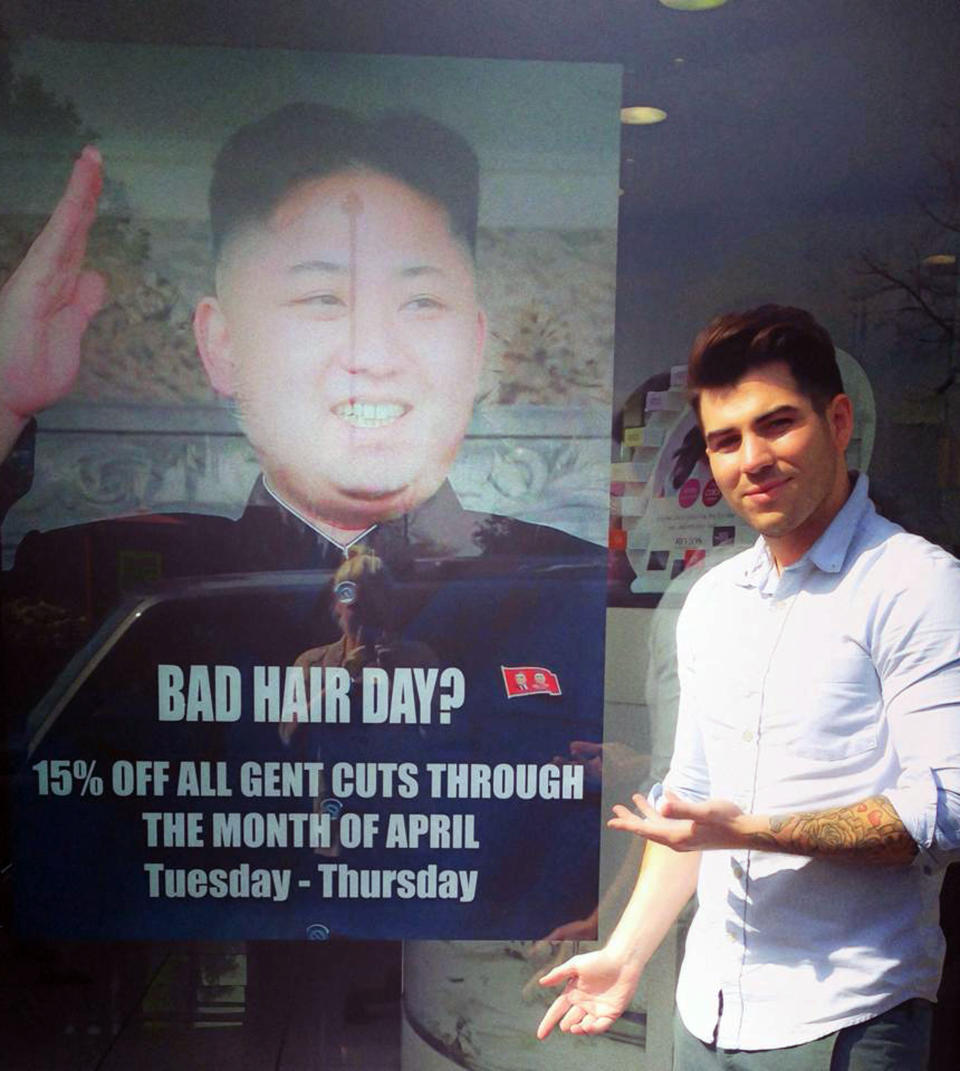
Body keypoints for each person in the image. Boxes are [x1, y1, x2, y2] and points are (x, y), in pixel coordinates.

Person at [0, 105, 606, 941]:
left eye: (420, 301)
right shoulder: (106, 583)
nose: (373, 351)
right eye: (321, 297)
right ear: (220, 344)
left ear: (474, 346)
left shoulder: (571, 592)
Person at [537, 305, 960, 1068]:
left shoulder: (914, 583)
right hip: (704, 1015)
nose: (750, 458)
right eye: (725, 440)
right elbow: (689, 804)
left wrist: (750, 831)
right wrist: (627, 953)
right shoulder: (712, 600)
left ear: (837, 421)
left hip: (848, 1018)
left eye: (776, 425)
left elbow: (943, 810)